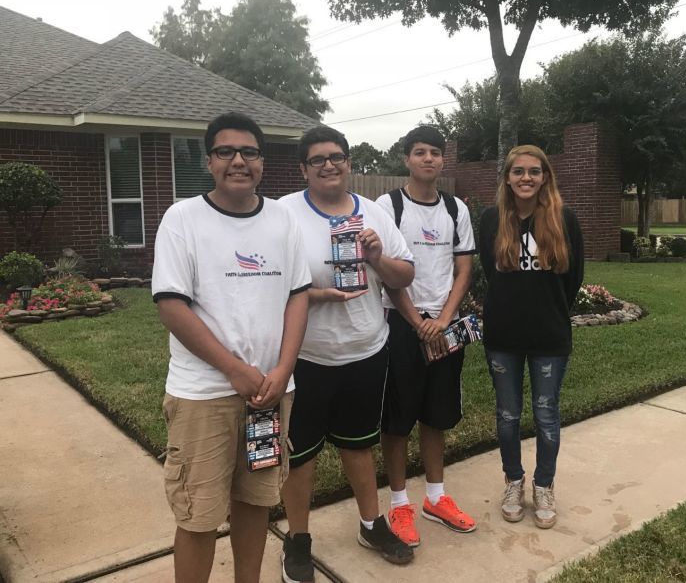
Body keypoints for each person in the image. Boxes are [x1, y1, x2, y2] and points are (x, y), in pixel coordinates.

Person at [152, 112, 311, 582]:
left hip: (271, 393)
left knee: (255, 502)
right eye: (226, 151)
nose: (238, 161)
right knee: (198, 515)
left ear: (262, 161)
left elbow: (298, 294)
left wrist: (283, 369)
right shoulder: (183, 218)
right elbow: (171, 306)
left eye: (250, 152)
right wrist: (236, 371)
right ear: (209, 161)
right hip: (204, 395)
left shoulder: (282, 218)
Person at [278, 125, 416, 583]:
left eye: (336, 156)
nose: (328, 165)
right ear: (303, 168)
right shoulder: (283, 215)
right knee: (302, 456)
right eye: (317, 159)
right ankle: (298, 540)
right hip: (306, 357)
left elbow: (403, 276)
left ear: (349, 161)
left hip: (365, 351)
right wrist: (313, 296)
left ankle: (370, 524)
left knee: (359, 445)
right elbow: (268, 286)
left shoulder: (374, 213)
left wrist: (376, 256)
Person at [376, 126, 477, 547]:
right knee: (397, 419)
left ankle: (436, 497)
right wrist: (418, 322)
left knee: (437, 413)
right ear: (406, 159)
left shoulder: (456, 209)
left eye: (436, 152)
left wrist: (443, 319)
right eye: (420, 152)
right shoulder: (389, 205)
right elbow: (384, 270)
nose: (429, 159)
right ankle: (400, 503)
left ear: (443, 160)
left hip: (445, 325)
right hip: (401, 324)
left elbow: (464, 269)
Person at [477, 144, 584, 530]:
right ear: (507, 177)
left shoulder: (564, 219)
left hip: (549, 337)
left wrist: (548, 309)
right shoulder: (491, 219)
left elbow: (573, 279)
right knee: (507, 416)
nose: (526, 178)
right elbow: (492, 273)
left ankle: (543, 485)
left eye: (534, 171)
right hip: (503, 336)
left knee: (546, 416)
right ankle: (513, 481)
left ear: (545, 177)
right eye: (518, 171)